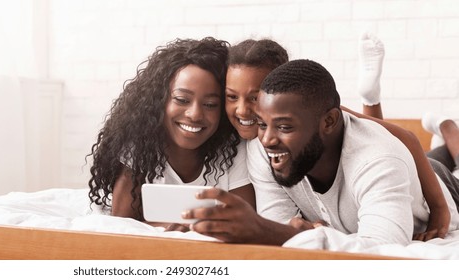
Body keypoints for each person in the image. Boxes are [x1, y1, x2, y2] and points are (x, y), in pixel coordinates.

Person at [184, 59, 459, 248]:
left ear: (328, 122)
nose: (267, 139)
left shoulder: (378, 159)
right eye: (262, 124)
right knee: (436, 155)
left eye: (284, 126)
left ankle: (448, 128)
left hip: (441, 186)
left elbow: (382, 252)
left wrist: (276, 231)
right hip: (398, 170)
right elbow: (281, 224)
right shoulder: (264, 148)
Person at [87, 37, 255, 232]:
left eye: (210, 105)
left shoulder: (233, 150)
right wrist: (165, 225)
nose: (195, 114)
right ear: (160, 101)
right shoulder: (140, 143)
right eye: (182, 100)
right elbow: (121, 222)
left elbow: (246, 221)